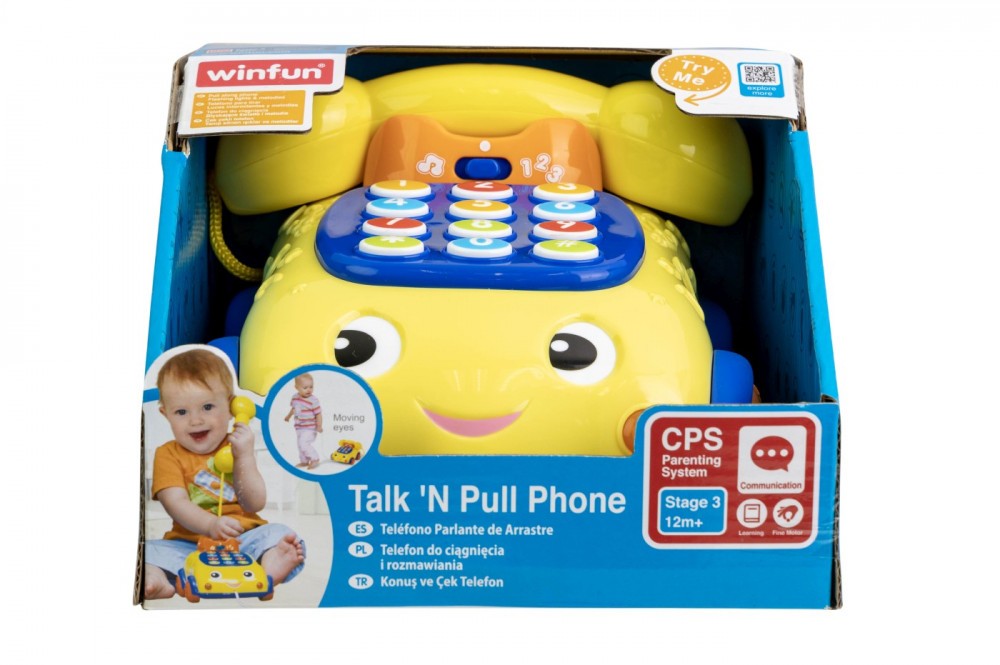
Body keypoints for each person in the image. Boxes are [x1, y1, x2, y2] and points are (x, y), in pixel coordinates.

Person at [144, 348, 304, 600]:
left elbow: (255, 503)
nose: (195, 420)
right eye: (181, 412)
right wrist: (209, 525)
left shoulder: (238, 446)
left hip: (243, 541)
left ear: (231, 407)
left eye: (207, 407)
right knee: (148, 550)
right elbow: (175, 502)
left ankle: (267, 571)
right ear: (166, 414)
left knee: (280, 534)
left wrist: (245, 457)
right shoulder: (167, 454)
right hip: (189, 545)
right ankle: (159, 579)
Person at [284, 373, 323, 469]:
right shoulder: (295, 397)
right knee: (300, 445)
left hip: (310, 428)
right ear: (296, 387)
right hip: (299, 427)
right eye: (305, 388)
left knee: (303, 443)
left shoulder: (313, 400)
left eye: (311, 387)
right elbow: (294, 409)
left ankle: (315, 458)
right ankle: (304, 461)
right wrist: (288, 416)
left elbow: (318, 414)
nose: (309, 390)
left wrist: (319, 426)